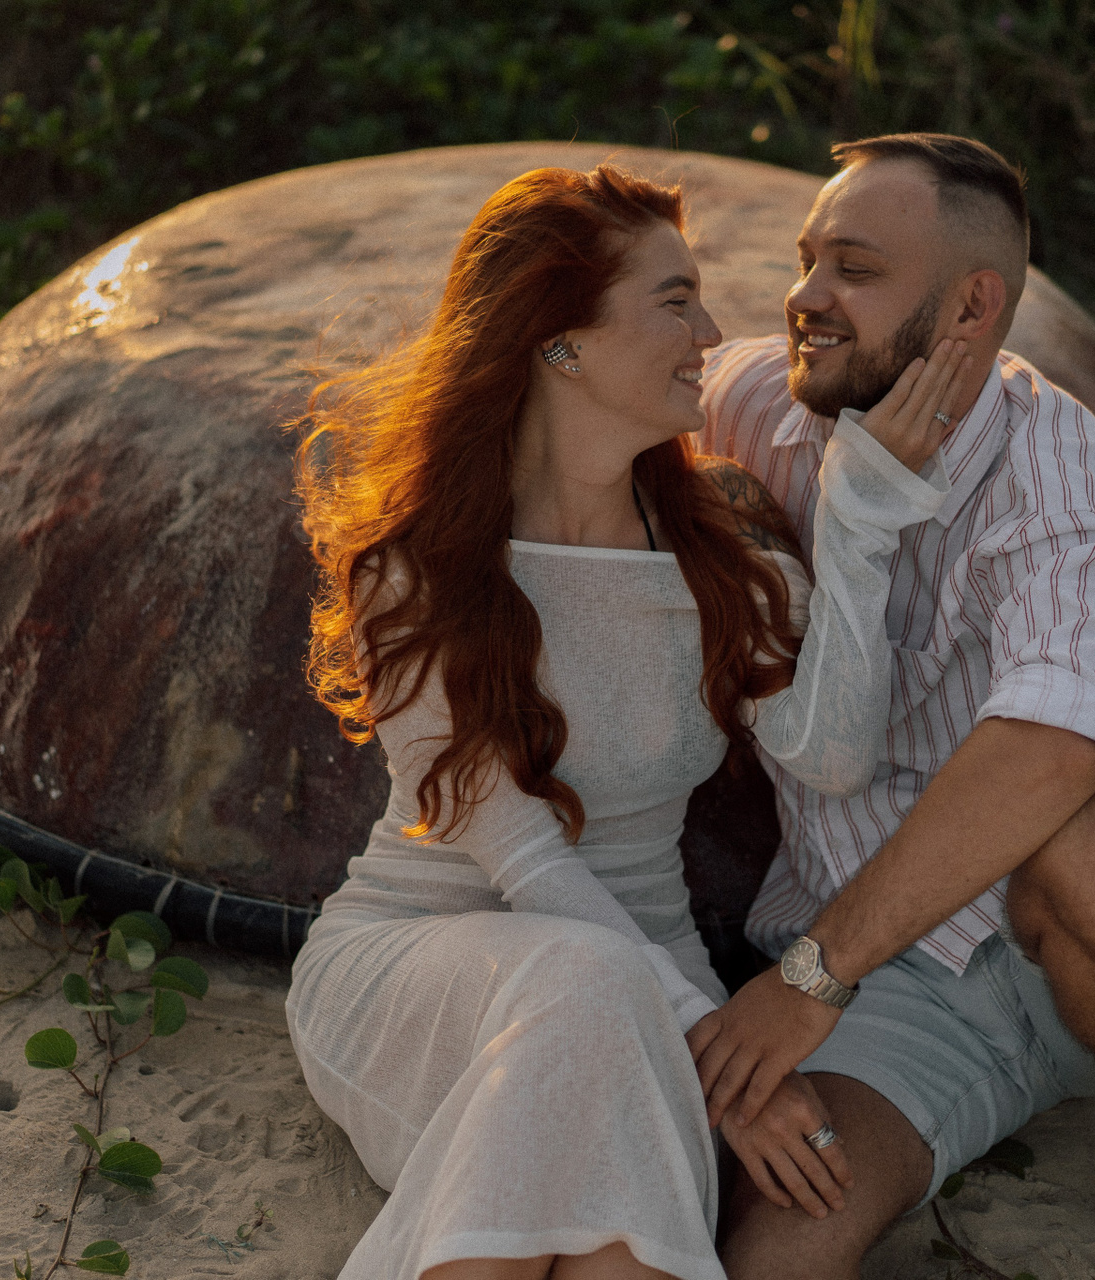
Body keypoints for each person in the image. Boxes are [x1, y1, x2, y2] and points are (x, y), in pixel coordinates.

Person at [283, 164, 977, 1280]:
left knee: (607, 1166)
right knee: (588, 988)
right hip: (422, 976)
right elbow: (521, 856)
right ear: (560, 340)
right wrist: (723, 1064)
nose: (711, 332)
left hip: (642, 999)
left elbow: (833, 754)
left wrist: (861, 521)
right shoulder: (416, 564)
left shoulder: (717, 548)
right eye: (674, 301)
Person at [687, 134, 1095, 1280]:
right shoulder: (762, 404)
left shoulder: (1074, 490)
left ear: (971, 307)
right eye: (808, 260)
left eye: (855, 269)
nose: (806, 296)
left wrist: (810, 974)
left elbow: (1051, 753)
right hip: (899, 986)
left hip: (1091, 951)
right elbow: (584, 409)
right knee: (781, 1245)